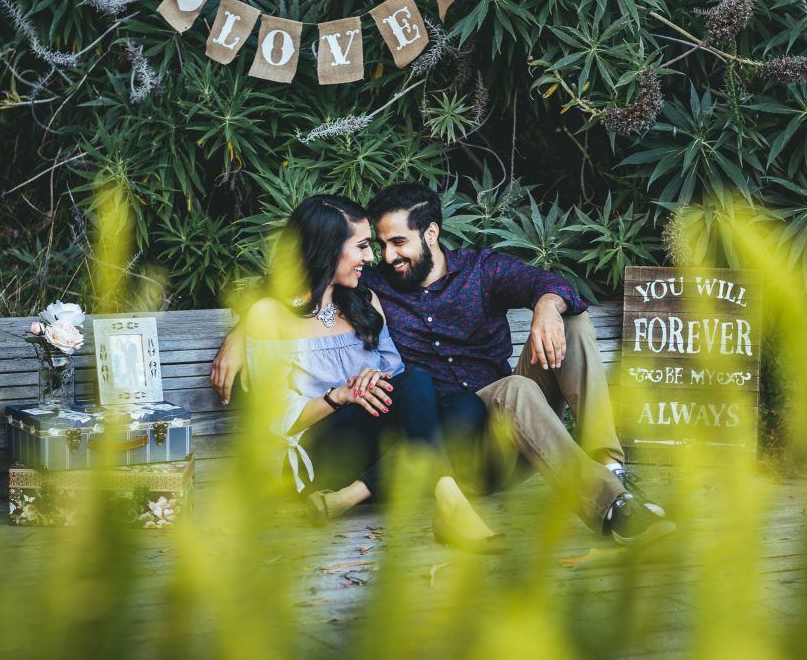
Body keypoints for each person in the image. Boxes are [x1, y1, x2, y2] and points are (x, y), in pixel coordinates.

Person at [213, 183, 674, 547]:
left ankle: (609, 469)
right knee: (482, 390)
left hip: (483, 425)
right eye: (374, 245)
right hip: (416, 433)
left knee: (565, 324)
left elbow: (551, 283)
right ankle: (607, 507)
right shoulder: (373, 284)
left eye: (396, 242)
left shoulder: (472, 272)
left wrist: (548, 307)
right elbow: (293, 290)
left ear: (430, 233)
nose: (384, 255)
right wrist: (241, 333)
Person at [237, 194, 502, 553]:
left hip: (371, 447)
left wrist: (371, 378)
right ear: (327, 248)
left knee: (467, 407)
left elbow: (395, 380)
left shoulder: (364, 302)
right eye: (361, 246)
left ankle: (351, 495)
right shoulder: (270, 316)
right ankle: (449, 503)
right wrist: (341, 395)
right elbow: (278, 421)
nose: (370, 257)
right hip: (315, 453)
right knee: (419, 383)